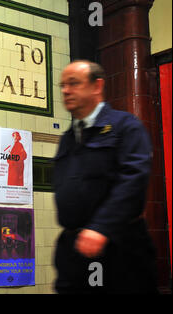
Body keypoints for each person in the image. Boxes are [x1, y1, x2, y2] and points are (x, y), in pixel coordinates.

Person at [53, 60, 158, 293]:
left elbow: (134, 178)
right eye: (62, 85)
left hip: (118, 247)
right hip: (75, 250)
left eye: (73, 84)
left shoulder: (125, 126)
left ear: (96, 86)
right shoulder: (68, 138)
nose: (65, 91)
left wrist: (100, 227)